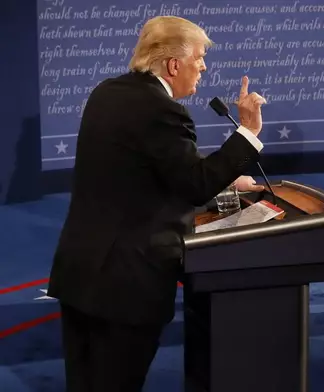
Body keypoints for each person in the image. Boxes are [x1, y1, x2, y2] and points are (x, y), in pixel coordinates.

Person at [47, 16, 268, 391]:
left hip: (82, 272)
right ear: (173, 64)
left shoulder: (108, 91)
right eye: (198, 58)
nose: (204, 67)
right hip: (126, 286)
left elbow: (141, 176)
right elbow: (194, 184)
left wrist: (227, 182)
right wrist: (248, 132)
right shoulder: (162, 111)